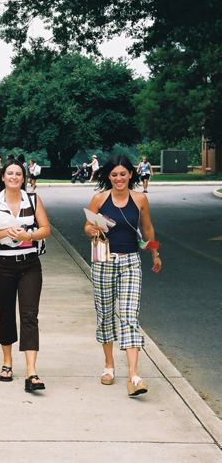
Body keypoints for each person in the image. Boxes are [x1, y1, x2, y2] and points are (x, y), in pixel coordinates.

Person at [84, 154, 162, 396]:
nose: (119, 178)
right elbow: (86, 226)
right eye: (114, 174)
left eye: (123, 174)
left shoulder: (139, 199)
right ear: (109, 176)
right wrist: (93, 229)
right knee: (105, 313)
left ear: (131, 174)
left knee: (129, 315)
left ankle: (134, 376)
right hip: (104, 260)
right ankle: (109, 366)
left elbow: (147, 228)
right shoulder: (99, 198)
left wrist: (155, 253)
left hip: (131, 262)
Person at [0, 159, 51, 392]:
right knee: (6, 313)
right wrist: (5, 232)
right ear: (3, 176)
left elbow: (46, 229)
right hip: (3, 266)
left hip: (30, 265)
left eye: (18, 173)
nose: (14, 177)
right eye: (10, 173)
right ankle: (7, 363)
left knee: (30, 316)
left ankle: (32, 372)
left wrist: (27, 235)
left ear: (24, 177)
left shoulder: (33, 199)